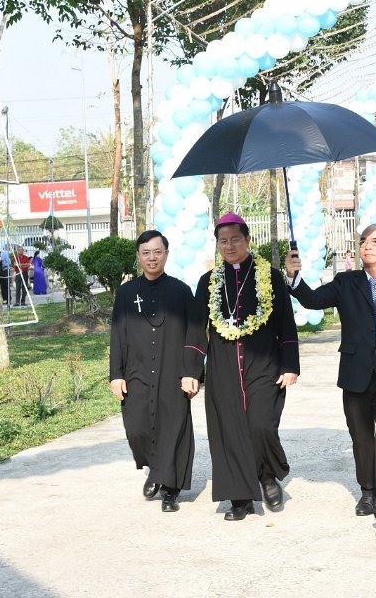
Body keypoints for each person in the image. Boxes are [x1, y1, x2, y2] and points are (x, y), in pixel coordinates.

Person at [285, 223, 376, 542]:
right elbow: (312, 300)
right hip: (355, 374)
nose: (368, 245)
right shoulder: (346, 283)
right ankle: (368, 491)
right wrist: (294, 278)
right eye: (364, 240)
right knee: (362, 439)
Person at [182, 213, 300, 521]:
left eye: (235, 239)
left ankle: (267, 475)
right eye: (223, 241)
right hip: (223, 367)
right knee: (229, 430)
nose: (229, 246)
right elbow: (196, 329)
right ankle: (240, 498)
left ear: (248, 239)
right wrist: (191, 371)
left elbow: (286, 323)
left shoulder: (270, 277)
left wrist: (290, 364)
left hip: (264, 363)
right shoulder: (208, 282)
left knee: (261, 424)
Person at [110, 231, 195, 513]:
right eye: (146, 252)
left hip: (173, 372)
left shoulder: (182, 291)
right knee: (136, 427)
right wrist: (116, 374)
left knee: (173, 428)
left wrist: (192, 372)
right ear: (138, 256)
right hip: (137, 371)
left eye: (157, 252)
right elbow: (117, 335)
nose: (152, 258)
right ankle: (156, 469)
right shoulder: (126, 293)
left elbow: (194, 334)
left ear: (166, 254)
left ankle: (170, 490)